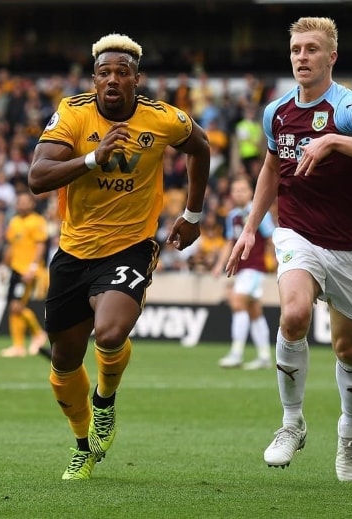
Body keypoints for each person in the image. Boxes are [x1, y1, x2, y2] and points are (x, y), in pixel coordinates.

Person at [225, 17, 352, 482]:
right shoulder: (277, 112)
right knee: (294, 314)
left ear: (331, 57)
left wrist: (333, 141)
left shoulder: (349, 108)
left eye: (311, 49)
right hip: (297, 234)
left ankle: (349, 431)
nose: (301, 57)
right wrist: (250, 228)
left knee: (348, 349)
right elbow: (271, 168)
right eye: (296, 49)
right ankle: (292, 423)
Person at [28, 33, 210, 480]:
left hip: (131, 245)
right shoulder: (72, 113)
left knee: (108, 333)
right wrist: (92, 159)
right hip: (73, 252)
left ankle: (105, 401)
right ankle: (82, 444)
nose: (112, 79)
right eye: (104, 72)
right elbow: (38, 177)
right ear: (94, 79)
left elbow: (200, 147)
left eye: (122, 73)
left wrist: (193, 213)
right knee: (64, 362)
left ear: (136, 80)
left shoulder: (162, 119)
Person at [213, 175, 274, 370]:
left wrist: (277, 261)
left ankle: (236, 353)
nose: (239, 193)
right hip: (242, 268)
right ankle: (264, 356)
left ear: (251, 192)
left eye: (243, 190)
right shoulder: (232, 216)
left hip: (255, 267)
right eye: (236, 190)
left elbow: (271, 237)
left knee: (237, 301)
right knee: (254, 310)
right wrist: (219, 264)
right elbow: (230, 241)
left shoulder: (259, 213)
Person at [0, 190, 49, 358]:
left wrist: (33, 267)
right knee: (13, 308)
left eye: (25, 201)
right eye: (19, 201)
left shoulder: (37, 221)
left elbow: (41, 245)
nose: (21, 204)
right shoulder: (14, 221)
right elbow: (11, 246)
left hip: (27, 270)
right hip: (15, 268)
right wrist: (3, 267)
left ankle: (38, 334)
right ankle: (18, 346)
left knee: (17, 306)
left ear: (32, 204)